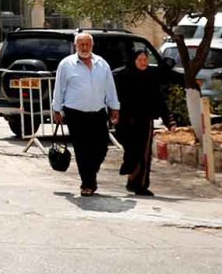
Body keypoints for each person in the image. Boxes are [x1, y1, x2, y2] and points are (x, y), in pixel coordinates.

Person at [51, 32, 120, 196]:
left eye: (87, 44)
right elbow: (59, 88)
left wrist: (114, 107)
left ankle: (91, 174)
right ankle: (87, 184)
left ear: (92, 45)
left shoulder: (102, 64)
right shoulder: (66, 64)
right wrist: (56, 109)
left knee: (101, 147)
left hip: (98, 112)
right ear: (76, 46)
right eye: (81, 44)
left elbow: (110, 88)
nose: (84, 47)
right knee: (82, 150)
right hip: (75, 113)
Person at [113, 47, 174, 196]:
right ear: (134, 61)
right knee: (131, 151)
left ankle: (139, 185)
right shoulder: (122, 76)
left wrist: (169, 121)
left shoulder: (151, 77)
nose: (143, 62)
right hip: (125, 120)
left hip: (145, 120)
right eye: (140, 60)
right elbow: (112, 97)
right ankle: (130, 172)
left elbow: (159, 100)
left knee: (144, 153)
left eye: (145, 60)